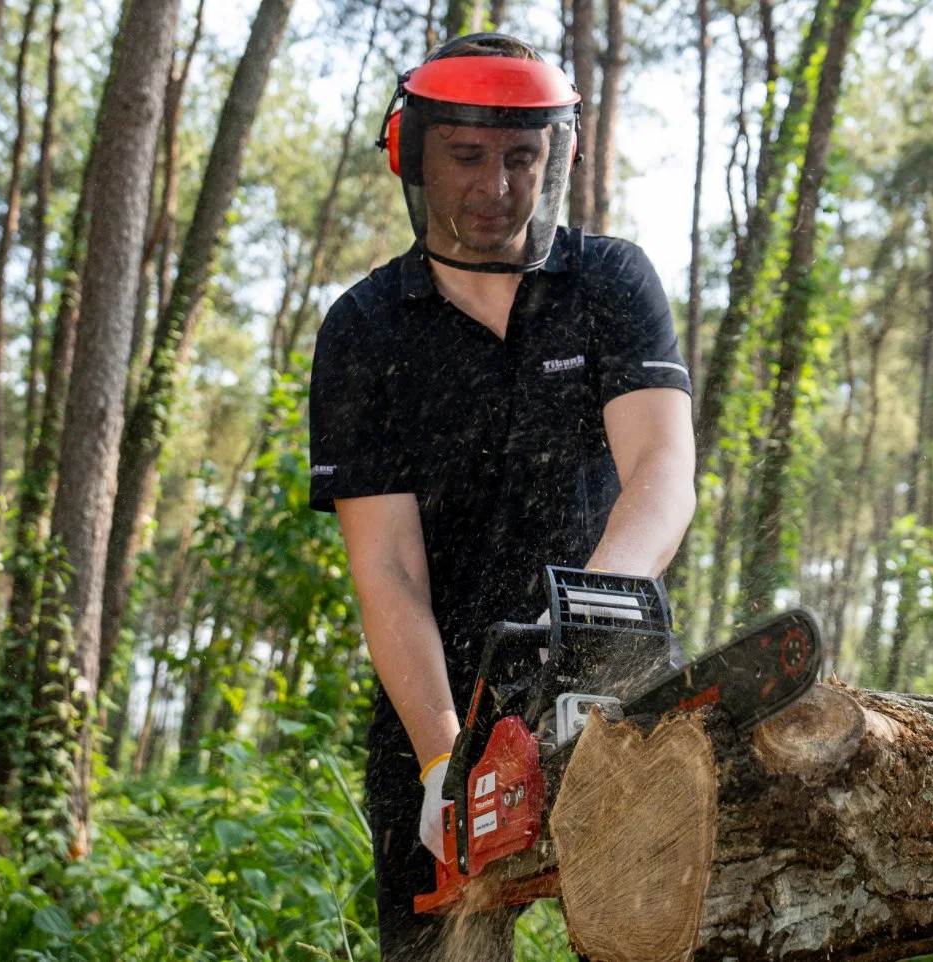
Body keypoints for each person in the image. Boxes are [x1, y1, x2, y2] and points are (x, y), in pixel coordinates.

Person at [308, 31, 696, 961]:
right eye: (468, 156)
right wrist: (450, 759)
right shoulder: (364, 330)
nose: (496, 185)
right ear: (415, 155)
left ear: (555, 156)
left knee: (659, 936)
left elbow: (661, 473)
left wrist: (588, 622)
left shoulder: (609, 283)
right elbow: (389, 569)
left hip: (607, 686)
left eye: (521, 157)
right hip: (431, 706)